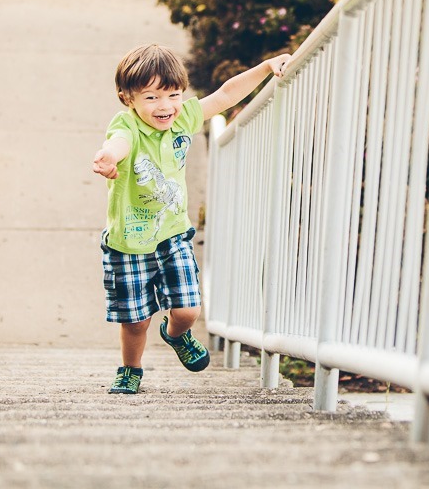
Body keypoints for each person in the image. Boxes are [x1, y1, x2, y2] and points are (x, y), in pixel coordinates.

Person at [92, 43, 290, 394]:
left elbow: (226, 94)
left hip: (172, 235)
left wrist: (265, 67)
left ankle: (175, 334)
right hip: (128, 243)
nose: (165, 106)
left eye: (173, 94)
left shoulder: (184, 116)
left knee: (187, 311)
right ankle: (130, 369)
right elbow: (118, 142)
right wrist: (108, 157)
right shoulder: (126, 125)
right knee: (135, 320)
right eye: (151, 98)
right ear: (128, 99)